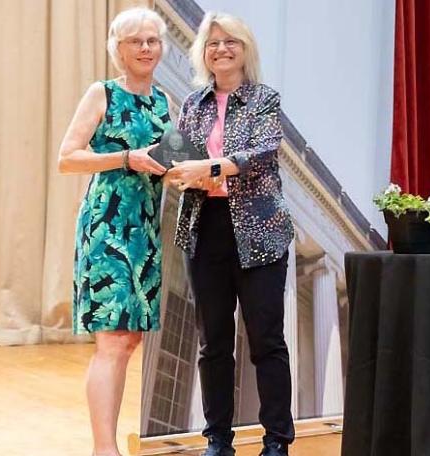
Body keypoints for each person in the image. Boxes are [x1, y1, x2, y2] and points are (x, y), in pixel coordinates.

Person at [165, 11, 295, 456]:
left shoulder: (264, 99)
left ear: (245, 50)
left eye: (230, 42)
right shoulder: (192, 104)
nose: (221, 49)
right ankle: (218, 439)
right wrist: (177, 172)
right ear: (203, 52)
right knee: (213, 343)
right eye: (212, 42)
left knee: (266, 340)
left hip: (259, 232)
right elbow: (177, 158)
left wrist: (210, 168)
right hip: (205, 230)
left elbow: (260, 152)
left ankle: (277, 439)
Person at [57, 7, 171, 456]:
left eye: (152, 41)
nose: (145, 48)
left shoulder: (163, 102)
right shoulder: (101, 93)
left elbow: (164, 162)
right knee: (111, 338)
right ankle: (105, 449)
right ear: (118, 50)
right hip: (107, 224)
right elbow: (68, 157)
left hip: (145, 226)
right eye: (136, 42)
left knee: (129, 339)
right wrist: (126, 158)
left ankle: (105, 446)